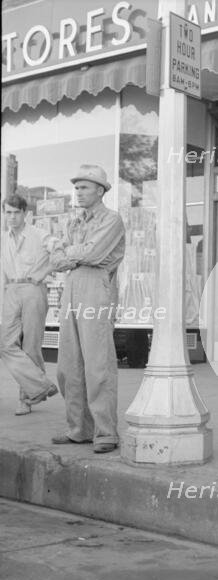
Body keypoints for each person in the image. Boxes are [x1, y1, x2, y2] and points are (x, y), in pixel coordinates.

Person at [49, 165, 125, 454]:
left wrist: (71, 255)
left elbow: (93, 254)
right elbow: (55, 260)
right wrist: (74, 256)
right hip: (72, 287)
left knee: (98, 363)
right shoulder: (74, 222)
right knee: (69, 365)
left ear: (100, 190)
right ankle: (79, 428)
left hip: (96, 289)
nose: (78, 192)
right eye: (76, 187)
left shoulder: (112, 220)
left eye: (84, 187)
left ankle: (106, 432)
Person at [0, 194, 58, 415]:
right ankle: (41, 386)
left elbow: (59, 251)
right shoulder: (4, 238)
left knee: (31, 345)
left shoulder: (39, 234)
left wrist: (43, 272)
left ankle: (25, 398)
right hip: (11, 290)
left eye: (16, 213)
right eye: (8, 212)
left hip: (33, 289)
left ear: (25, 213)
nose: (12, 217)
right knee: (6, 344)